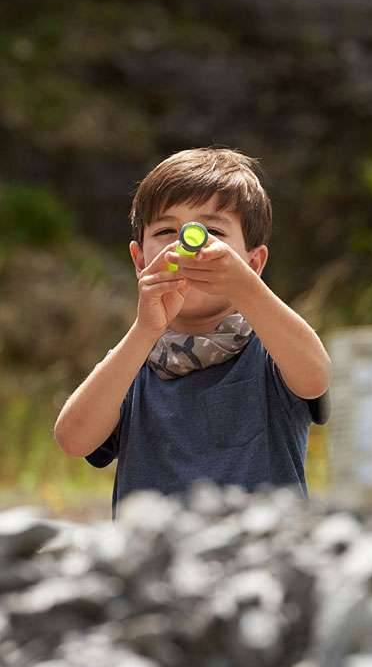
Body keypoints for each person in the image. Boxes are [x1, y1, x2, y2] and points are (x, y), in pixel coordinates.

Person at [53, 147, 331, 519]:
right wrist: (144, 331)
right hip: (152, 565)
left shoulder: (272, 347)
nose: (186, 244)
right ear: (139, 261)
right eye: (167, 231)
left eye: (211, 231)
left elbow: (318, 379)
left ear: (253, 263)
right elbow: (73, 439)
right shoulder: (134, 358)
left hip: (262, 561)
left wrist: (244, 288)